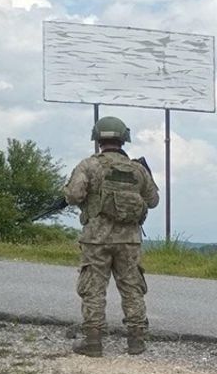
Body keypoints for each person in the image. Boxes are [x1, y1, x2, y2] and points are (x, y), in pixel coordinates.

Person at [63, 116, 160, 357]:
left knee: (93, 288)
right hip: (129, 240)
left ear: (97, 139)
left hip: (96, 239)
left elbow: (74, 195)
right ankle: (136, 341)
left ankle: (93, 342)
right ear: (123, 139)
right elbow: (153, 201)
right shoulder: (137, 170)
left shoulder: (89, 165)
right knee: (132, 288)